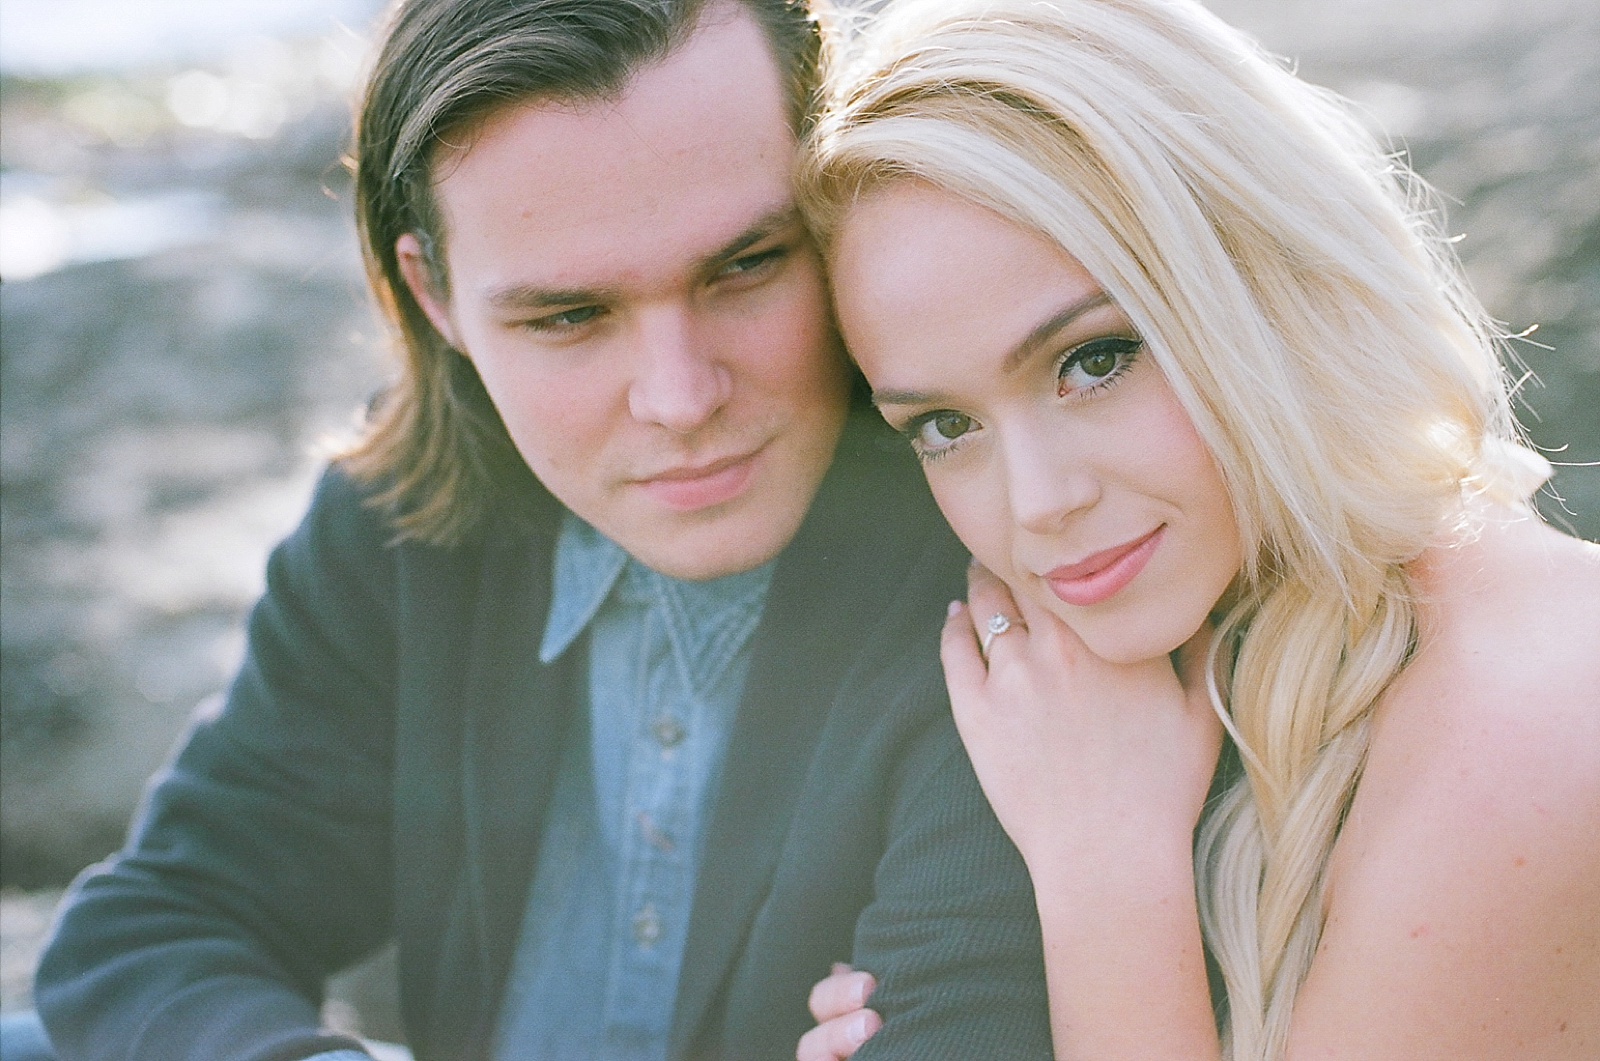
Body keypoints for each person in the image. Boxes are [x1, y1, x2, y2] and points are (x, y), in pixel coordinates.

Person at [11, 0, 1057, 1059]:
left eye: (745, 264)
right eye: (569, 315)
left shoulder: (1007, 556)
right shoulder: (406, 512)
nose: (679, 396)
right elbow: (155, 925)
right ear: (436, 296)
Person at [794, 0, 1600, 1058]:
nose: (1037, 502)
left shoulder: (1538, 709)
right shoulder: (1206, 669)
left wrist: (1107, 879)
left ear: (1258, 281)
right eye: (944, 425)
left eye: (1094, 359)